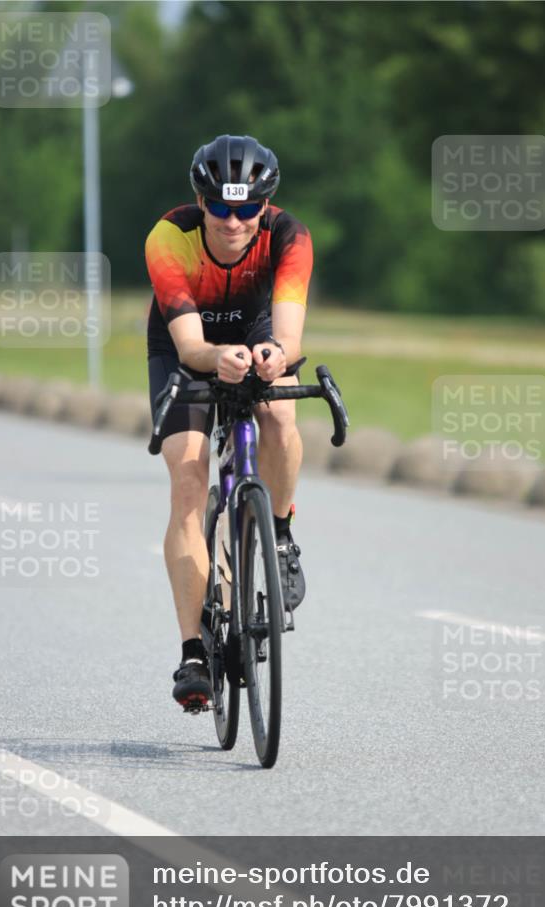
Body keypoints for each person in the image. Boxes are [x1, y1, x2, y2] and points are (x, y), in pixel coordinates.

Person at [145, 134, 313, 711]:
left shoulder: (290, 238)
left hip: (258, 329)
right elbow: (191, 343)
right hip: (183, 347)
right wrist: (216, 357)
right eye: (220, 207)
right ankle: (193, 651)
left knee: (279, 413)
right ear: (201, 201)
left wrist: (273, 356)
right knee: (189, 480)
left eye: (246, 209)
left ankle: (281, 536)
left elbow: (289, 336)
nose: (233, 221)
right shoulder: (169, 238)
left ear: (264, 207)